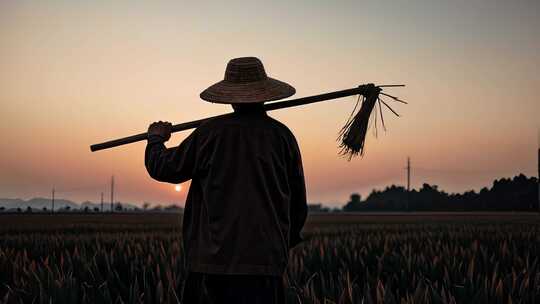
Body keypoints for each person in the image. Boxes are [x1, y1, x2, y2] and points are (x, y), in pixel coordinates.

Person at [145, 57, 307, 304]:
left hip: (212, 265)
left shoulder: (210, 133)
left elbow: (165, 168)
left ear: (229, 97)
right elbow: (297, 204)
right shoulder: (282, 136)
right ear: (264, 94)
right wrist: (280, 243)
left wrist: (156, 140)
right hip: (264, 265)